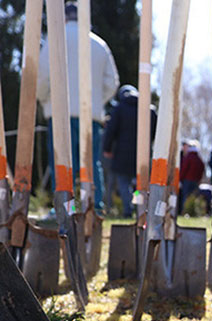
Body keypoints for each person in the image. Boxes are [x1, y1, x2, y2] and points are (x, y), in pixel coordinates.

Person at [37, 1, 119, 213]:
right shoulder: (99, 44)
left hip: (60, 113)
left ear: (64, 18)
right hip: (90, 114)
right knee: (91, 162)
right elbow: (112, 82)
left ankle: (66, 208)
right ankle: (95, 206)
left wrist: (46, 99)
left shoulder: (54, 41)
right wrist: (95, 100)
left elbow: (42, 78)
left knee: (62, 163)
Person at [101, 85, 157, 217]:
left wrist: (107, 148)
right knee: (139, 183)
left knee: (124, 183)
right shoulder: (148, 109)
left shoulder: (119, 109)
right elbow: (154, 131)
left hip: (122, 153)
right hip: (143, 153)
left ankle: (128, 209)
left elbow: (111, 130)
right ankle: (140, 208)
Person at [178, 139, 205, 213]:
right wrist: (199, 179)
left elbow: (184, 169)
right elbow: (202, 169)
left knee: (185, 196)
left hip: (187, 181)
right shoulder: (199, 159)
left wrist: (180, 178)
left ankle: (184, 211)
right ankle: (193, 212)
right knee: (194, 196)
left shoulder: (188, 158)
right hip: (196, 181)